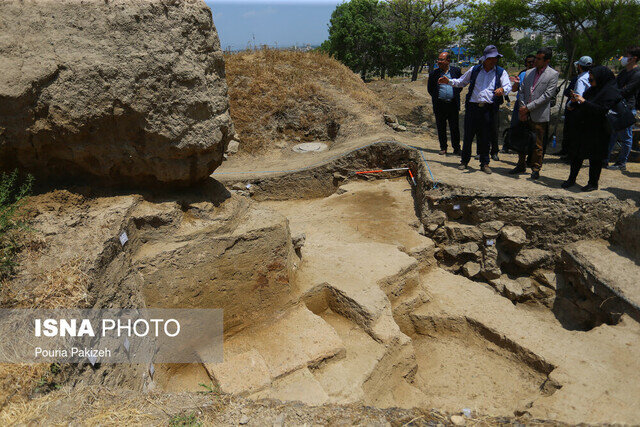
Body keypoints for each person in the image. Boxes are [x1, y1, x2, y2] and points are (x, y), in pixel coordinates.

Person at [438, 45, 511, 174]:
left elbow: (507, 86)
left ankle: (485, 163)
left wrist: (502, 90)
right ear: (485, 59)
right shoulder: (475, 70)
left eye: (496, 58)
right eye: (491, 58)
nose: (494, 60)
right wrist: (448, 81)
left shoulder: (500, 72)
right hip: (473, 108)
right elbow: (461, 82)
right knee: (468, 136)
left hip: (488, 109)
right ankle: (464, 161)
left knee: (485, 137)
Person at [562, 66, 622, 192]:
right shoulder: (592, 90)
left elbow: (601, 110)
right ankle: (571, 179)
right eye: (589, 80)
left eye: (592, 80)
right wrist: (574, 103)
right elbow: (584, 104)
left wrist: (583, 102)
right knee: (577, 155)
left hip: (599, 131)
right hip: (584, 127)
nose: (590, 82)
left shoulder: (611, 92)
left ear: (601, 79)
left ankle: (593, 183)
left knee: (595, 158)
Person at [509, 48, 559, 180]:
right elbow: (522, 91)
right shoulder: (529, 73)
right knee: (522, 139)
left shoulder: (552, 74)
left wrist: (528, 108)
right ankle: (520, 164)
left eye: (539, 59)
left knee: (537, 143)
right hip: (524, 112)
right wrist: (522, 108)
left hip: (539, 114)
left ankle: (536, 168)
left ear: (547, 60)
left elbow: (547, 96)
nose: (535, 61)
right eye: (535, 58)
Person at [608, 47, 640, 170]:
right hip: (617, 106)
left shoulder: (637, 74)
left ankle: (622, 162)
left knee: (626, 137)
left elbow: (626, 90)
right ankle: (605, 159)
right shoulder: (623, 72)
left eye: (627, 55)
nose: (624, 58)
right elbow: (615, 86)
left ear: (634, 58)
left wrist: (617, 91)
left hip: (627, 108)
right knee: (613, 135)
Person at [428, 52, 462, 155]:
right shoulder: (434, 74)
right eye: (438, 59)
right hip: (440, 105)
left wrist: (452, 94)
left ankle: (456, 148)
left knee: (454, 127)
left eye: (442, 60)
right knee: (441, 127)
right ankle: (443, 147)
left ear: (448, 61)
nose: (439, 62)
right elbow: (430, 89)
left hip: (452, 104)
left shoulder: (456, 71)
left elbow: (460, 85)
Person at [559, 56, 593, 159]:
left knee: (575, 134)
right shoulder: (591, 77)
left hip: (578, 110)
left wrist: (570, 105)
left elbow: (577, 96)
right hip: (588, 108)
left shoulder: (581, 79)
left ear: (579, 66)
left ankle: (573, 155)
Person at [502, 55, 535, 153]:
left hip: (532, 104)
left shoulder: (538, 74)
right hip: (520, 104)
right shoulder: (522, 73)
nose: (531, 64)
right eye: (529, 62)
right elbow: (514, 89)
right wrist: (516, 83)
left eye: (533, 62)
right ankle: (507, 145)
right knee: (514, 125)